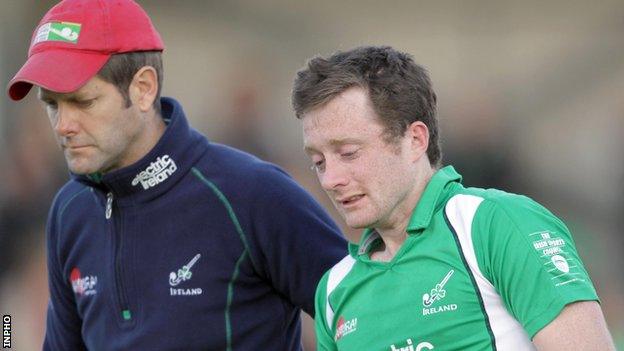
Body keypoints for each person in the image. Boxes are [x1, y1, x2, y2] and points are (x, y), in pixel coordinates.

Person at [7, 1, 347, 350]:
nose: (63, 126)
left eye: (83, 102)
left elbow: (366, 316)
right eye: (52, 104)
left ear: (143, 88)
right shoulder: (69, 211)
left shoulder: (253, 195)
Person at [291, 46, 616, 351]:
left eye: (348, 153)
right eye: (318, 161)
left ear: (415, 139)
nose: (330, 179)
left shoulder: (496, 225)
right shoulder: (334, 290)